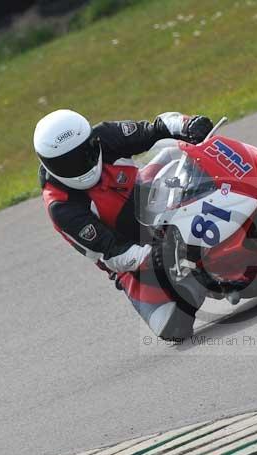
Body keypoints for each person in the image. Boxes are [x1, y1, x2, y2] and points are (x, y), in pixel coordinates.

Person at [33, 109, 214, 340]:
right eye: (67, 163)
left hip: (154, 199)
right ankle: (197, 274)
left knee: (176, 148)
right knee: (172, 326)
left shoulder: (106, 135)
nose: (79, 166)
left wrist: (188, 125)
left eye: (83, 154)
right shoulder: (61, 205)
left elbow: (155, 129)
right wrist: (154, 255)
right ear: (48, 165)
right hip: (136, 260)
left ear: (92, 141)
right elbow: (110, 252)